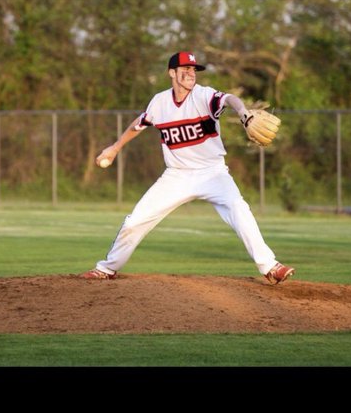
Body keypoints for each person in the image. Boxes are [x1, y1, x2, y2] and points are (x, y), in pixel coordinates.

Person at [81, 50, 295, 284]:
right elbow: (139, 124)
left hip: (212, 172)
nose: (190, 73)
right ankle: (107, 268)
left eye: (193, 69)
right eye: (185, 69)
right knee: (135, 221)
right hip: (177, 175)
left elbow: (229, 99)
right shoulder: (160, 102)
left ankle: (270, 266)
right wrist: (115, 147)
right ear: (171, 73)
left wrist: (243, 113)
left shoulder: (204, 96)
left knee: (238, 208)